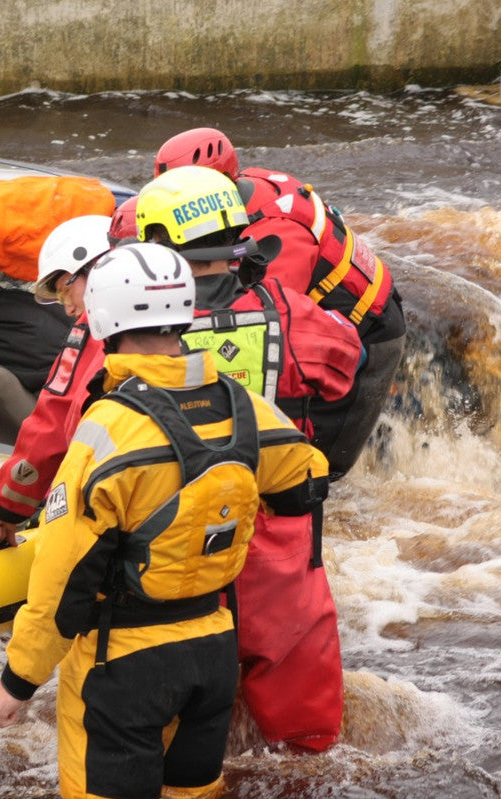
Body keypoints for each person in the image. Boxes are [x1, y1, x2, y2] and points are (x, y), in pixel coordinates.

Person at [0, 242, 330, 799]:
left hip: (125, 668)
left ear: (102, 317)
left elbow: (64, 575)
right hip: (214, 651)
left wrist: (17, 682)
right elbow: (305, 480)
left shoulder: (106, 429)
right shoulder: (241, 404)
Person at [135, 164, 359, 751]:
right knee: (303, 750)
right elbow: (343, 364)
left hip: (170, 546)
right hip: (276, 544)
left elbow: (61, 426)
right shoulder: (287, 311)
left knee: (158, 731)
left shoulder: (130, 324)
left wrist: (8, 508)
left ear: (157, 244)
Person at [154, 127, 405, 478]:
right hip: (338, 313)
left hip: (370, 333)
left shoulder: (276, 234)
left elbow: (264, 329)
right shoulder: (247, 188)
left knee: (322, 471)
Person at [0, 214, 113, 546]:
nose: (67, 309)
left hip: (103, 510)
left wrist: (5, 509)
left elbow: (53, 420)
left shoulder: (96, 328)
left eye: (66, 291)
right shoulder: (189, 308)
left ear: (95, 270)